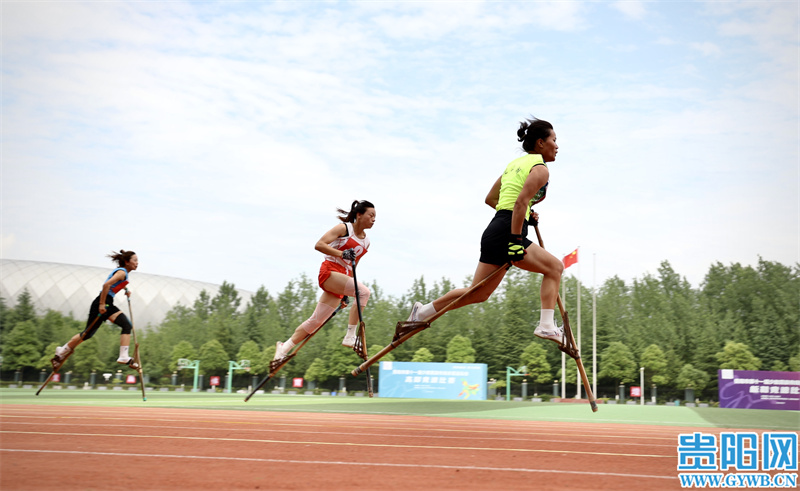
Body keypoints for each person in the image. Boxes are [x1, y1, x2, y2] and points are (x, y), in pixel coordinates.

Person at [407, 117, 565, 343]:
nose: (557, 146)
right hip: (509, 232)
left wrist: (526, 213)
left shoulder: (514, 165)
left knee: (478, 293)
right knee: (555, 268)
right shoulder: (540, 169)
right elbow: (519, 203)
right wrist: (515, 238)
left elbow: (492, 199)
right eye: (554, 140)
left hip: (496, 228)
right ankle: (547, 326)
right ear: (540, 143)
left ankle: (422, 313)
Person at [274, 200, 376, 360]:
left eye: (375, 217)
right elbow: (319, 245)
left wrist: (345, 293)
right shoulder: (345, 228)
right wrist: (341, 254)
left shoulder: (366, 242)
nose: (374, 219)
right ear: (359, 215)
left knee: (316, 321)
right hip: (329, 271)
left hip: (342, 277)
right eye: (371, 215)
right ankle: (350, 335)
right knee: (363, 292)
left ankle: (283, 348)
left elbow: (352, 268)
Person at [53, 250, 140, 368]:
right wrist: (102, 304)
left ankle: (62, 350)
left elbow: (115, 284)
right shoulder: (121, 272)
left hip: (107, 302)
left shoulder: (123, 273)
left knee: (91, 333)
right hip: (103, 302)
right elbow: (106, 285)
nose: (137, 263)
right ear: (126, 262)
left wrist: (126, 290)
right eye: (134, 260)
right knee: (89, 333)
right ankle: (62, 350)